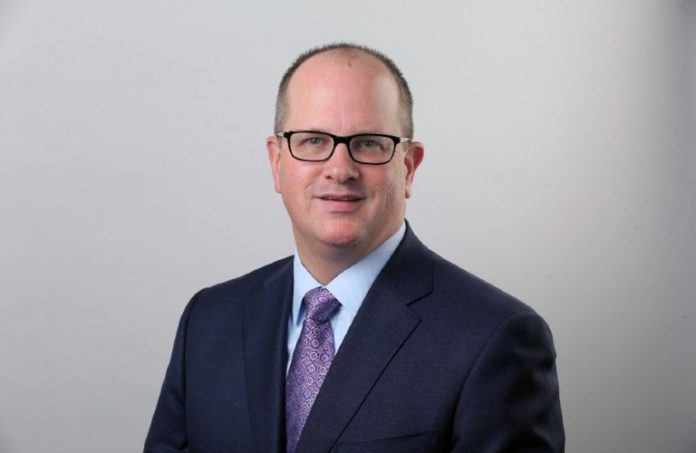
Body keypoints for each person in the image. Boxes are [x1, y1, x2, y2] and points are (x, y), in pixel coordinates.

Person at [144, 43, 565, 453]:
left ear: (409, 166)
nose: (340, 169)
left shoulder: (494, 337)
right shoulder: (209, 320)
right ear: (277, 162)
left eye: (368, 143)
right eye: (312, 140)